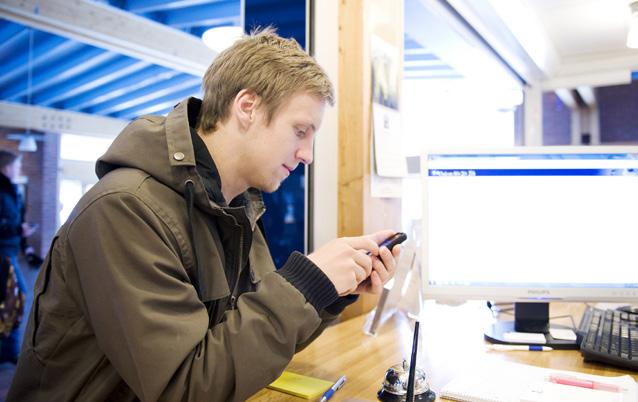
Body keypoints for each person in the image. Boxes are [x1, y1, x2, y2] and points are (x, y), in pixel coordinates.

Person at [8, 28, 400, 401]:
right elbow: (185, 387)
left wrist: (324, 292)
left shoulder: (235, 207)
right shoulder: (124, 209)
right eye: (300, 131)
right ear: (247, 107)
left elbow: (241, 346)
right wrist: (306, 284)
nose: (308, 155)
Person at [0, 150, 40, 364]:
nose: (19, 170)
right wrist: (18, 230)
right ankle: (8, 351)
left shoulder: (12, 191)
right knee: (16, 296)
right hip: (3, 253)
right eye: (16, 166)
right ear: (5, 167)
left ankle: (7, 349)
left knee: (11, 298)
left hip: (9, 250)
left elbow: (15, 222)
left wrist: (28, 249)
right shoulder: (4, 191)